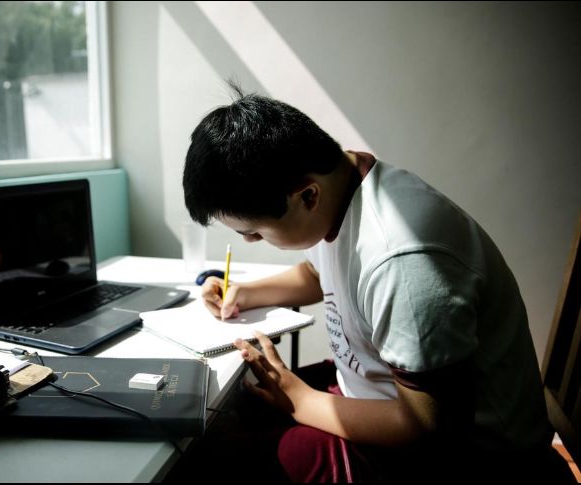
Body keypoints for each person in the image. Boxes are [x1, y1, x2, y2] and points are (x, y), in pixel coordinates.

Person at [174, 84, 564, 482]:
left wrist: (300, 399)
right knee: (230, 413)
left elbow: (430, 428)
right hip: (377, 395)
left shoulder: (404, 262)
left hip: (468, 456)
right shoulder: (341, 185)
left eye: (254, 232)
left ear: (307, 196)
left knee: (223, 463)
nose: (250, 241)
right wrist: (249, 292)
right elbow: (317, 274)